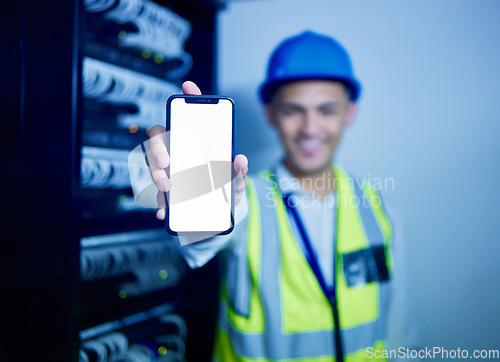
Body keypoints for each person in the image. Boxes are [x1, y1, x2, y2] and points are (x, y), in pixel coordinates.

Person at [146, 31, 418, 362]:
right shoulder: (244, 199)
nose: (310, 128)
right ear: (271, 113)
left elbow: (401, 334)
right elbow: (203, 238)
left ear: (350, 113)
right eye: (293, 110)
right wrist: (188, 186)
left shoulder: (381, 210)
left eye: (327, 110)